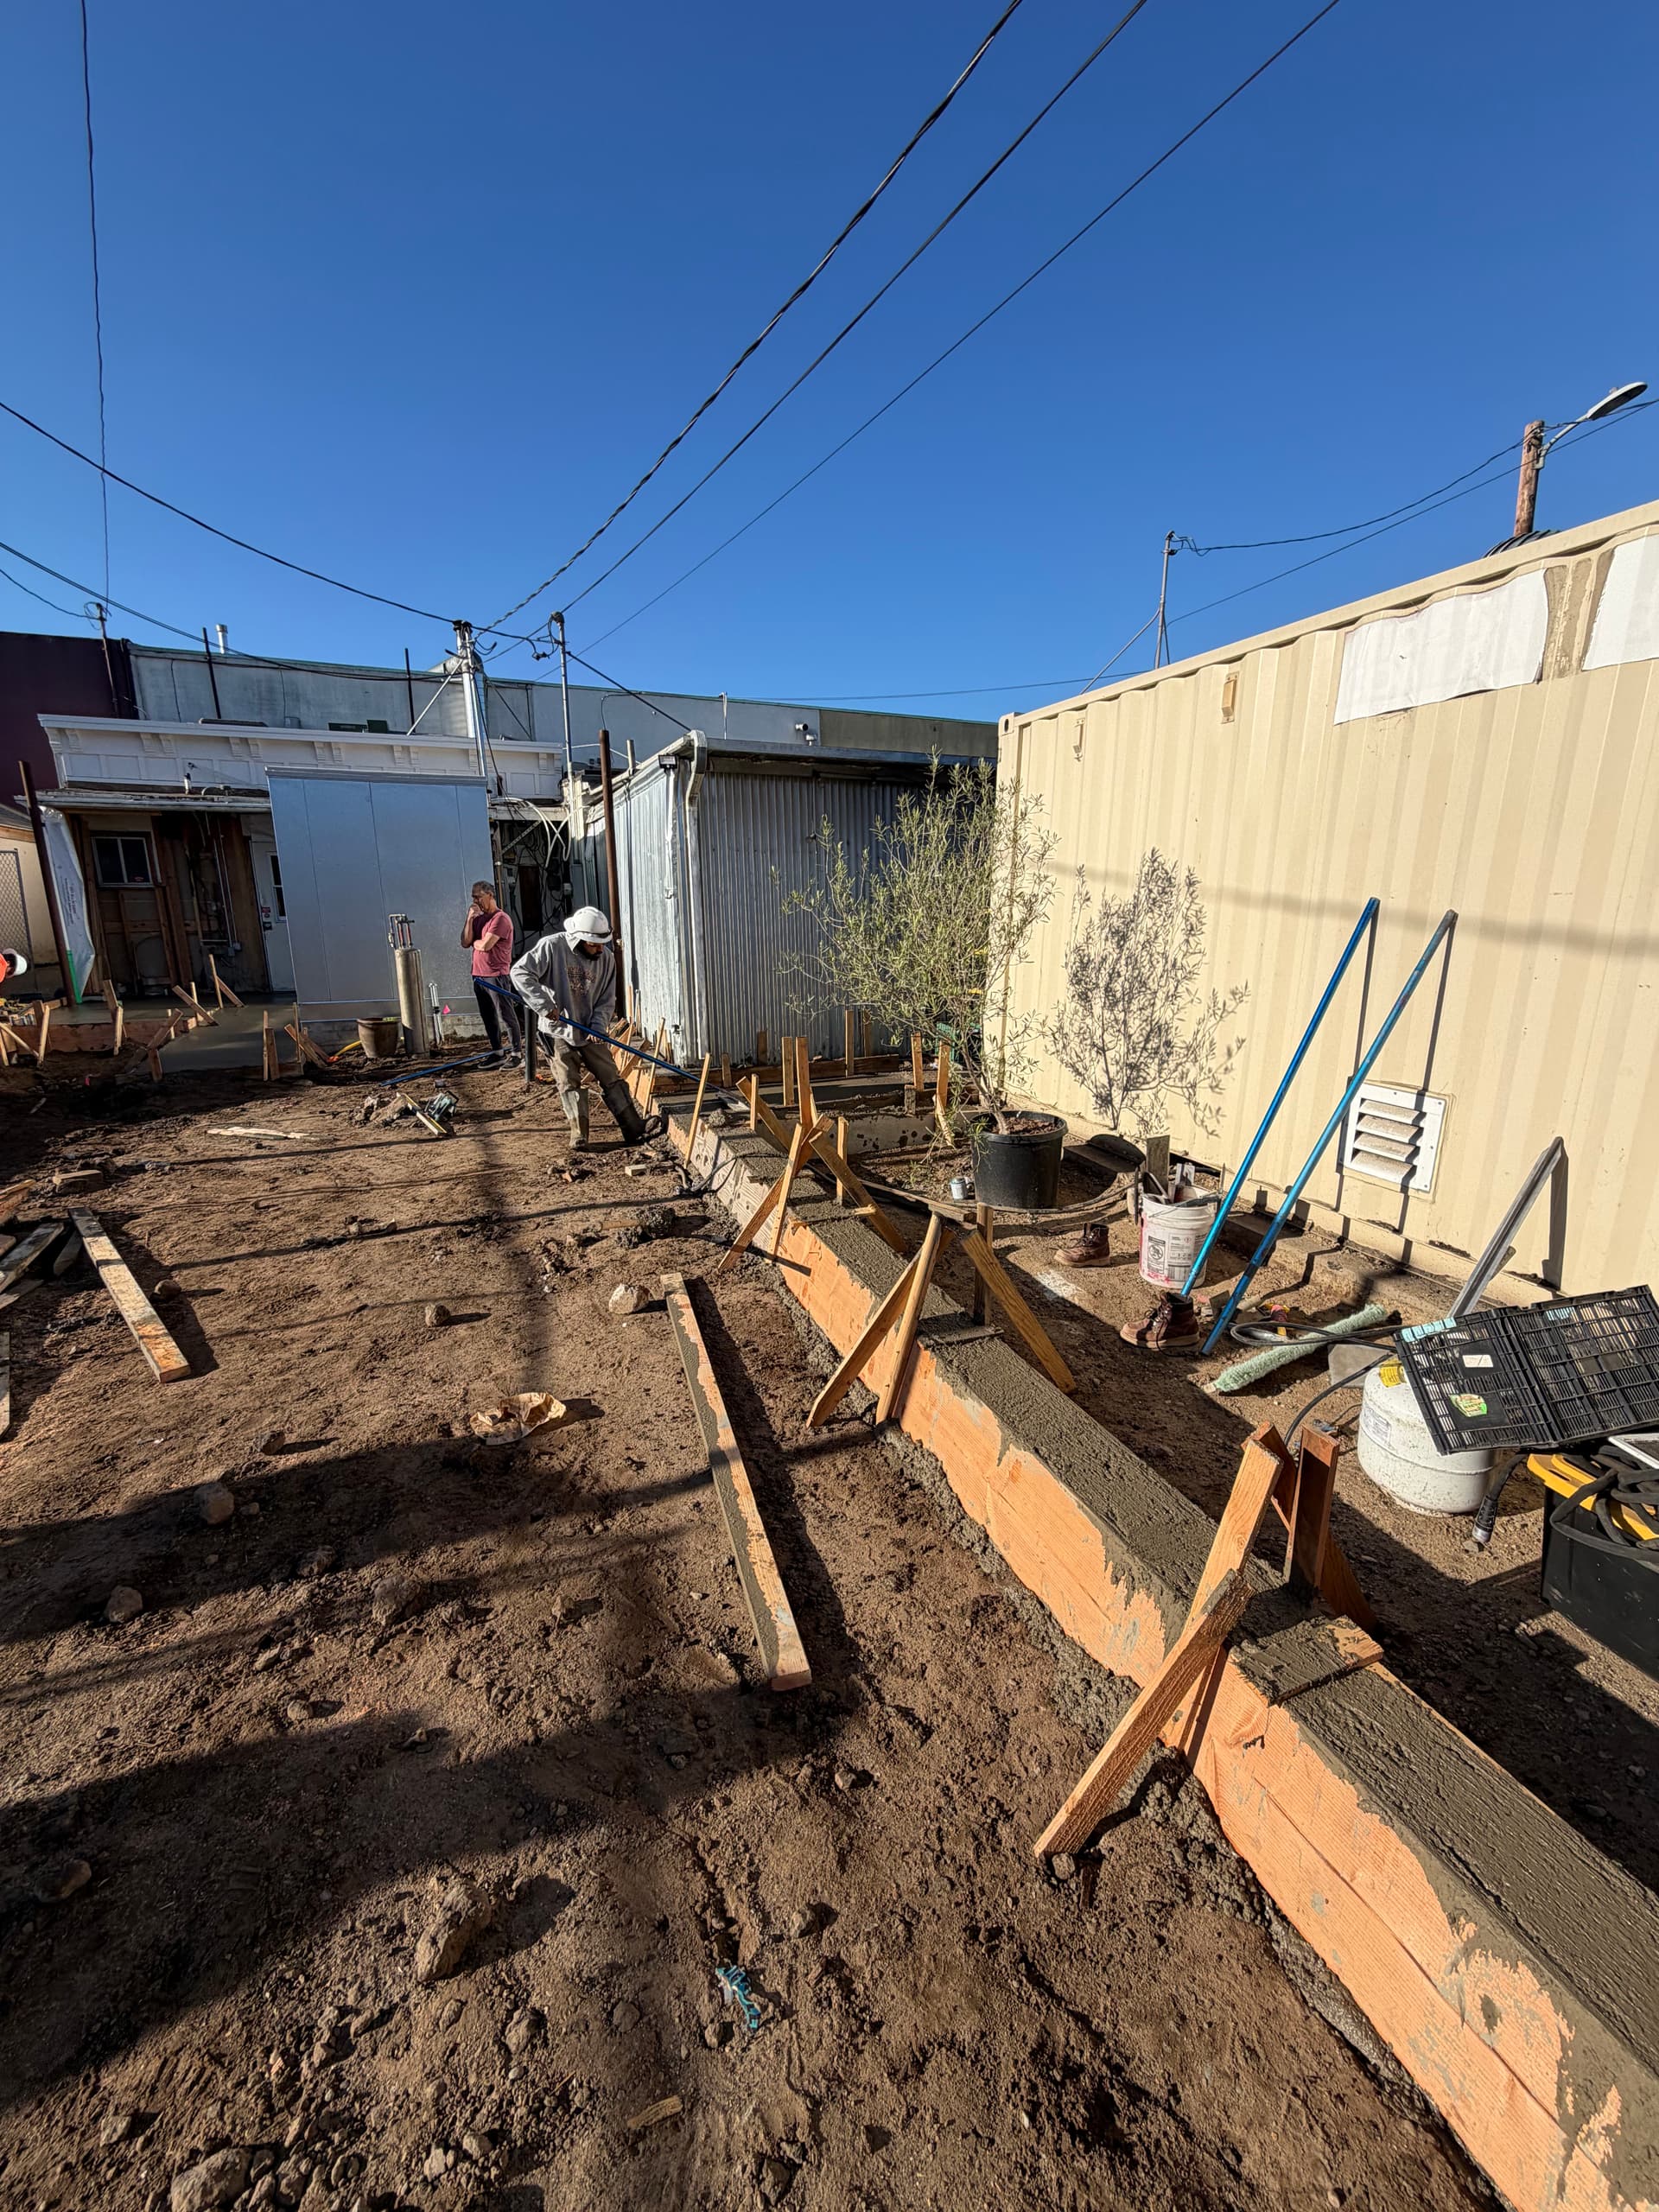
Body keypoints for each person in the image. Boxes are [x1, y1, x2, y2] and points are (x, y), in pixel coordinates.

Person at [510, 906, 650, 1147]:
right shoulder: (552, 947)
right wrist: (544, 1005)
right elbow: (520, 972)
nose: (599, 948)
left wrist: (598, 1026)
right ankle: (579, 1135)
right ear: (579, 938)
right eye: (593, 944)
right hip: (558, 1030)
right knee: (568, 1079)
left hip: (589, 1029)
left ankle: (634, 1127)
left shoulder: (605, 959)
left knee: (610, 1075)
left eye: (602, 943)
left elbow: (607, 999)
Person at [461, 882, 521, 1060]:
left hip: (496, 974)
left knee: (506, 1014)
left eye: (478, 896)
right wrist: (470, 919)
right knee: (488, 1016)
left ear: (490, 895)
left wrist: (475, 942)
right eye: (473, 897)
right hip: (478, 975)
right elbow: (465, 942)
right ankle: (497, 1052)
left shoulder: (500, 919)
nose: (476, 901)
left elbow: (486, 945)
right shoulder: (479, 919)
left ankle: (517, 1053)